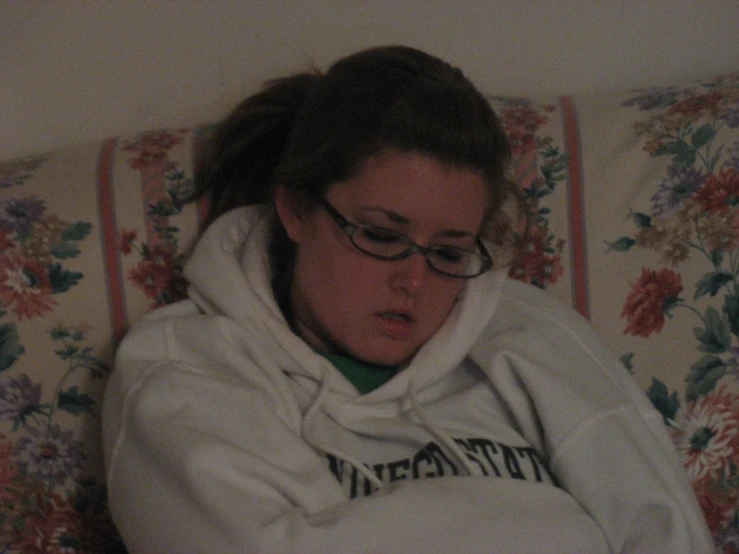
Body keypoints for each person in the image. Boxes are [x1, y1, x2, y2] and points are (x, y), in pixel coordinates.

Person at [102, 45, 713, 553]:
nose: (414, 282)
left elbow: (665, 532)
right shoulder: (183, 368)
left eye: (449, 252)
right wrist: (563, 528)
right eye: (380, 235)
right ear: (294, 208)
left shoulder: (532, 335)